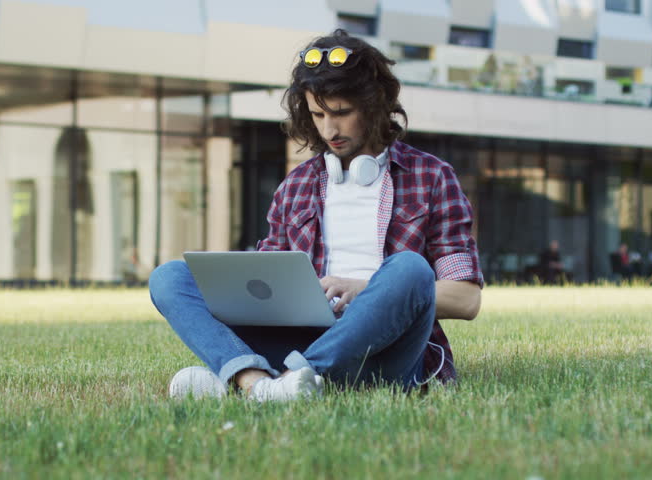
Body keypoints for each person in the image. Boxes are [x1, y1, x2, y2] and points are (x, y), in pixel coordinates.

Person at [149, 29, 483, 402]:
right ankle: (258, 382)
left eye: (342, 113)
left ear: (374, 106)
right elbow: (263, 285)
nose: (329, 129)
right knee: (169, 278)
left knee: (411, 269)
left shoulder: (432, 177)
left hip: (387, 354)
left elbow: (466, 299)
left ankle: (273, 378)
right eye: (318, 114)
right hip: (299, 336)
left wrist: (364, 290)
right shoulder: (295, 187)